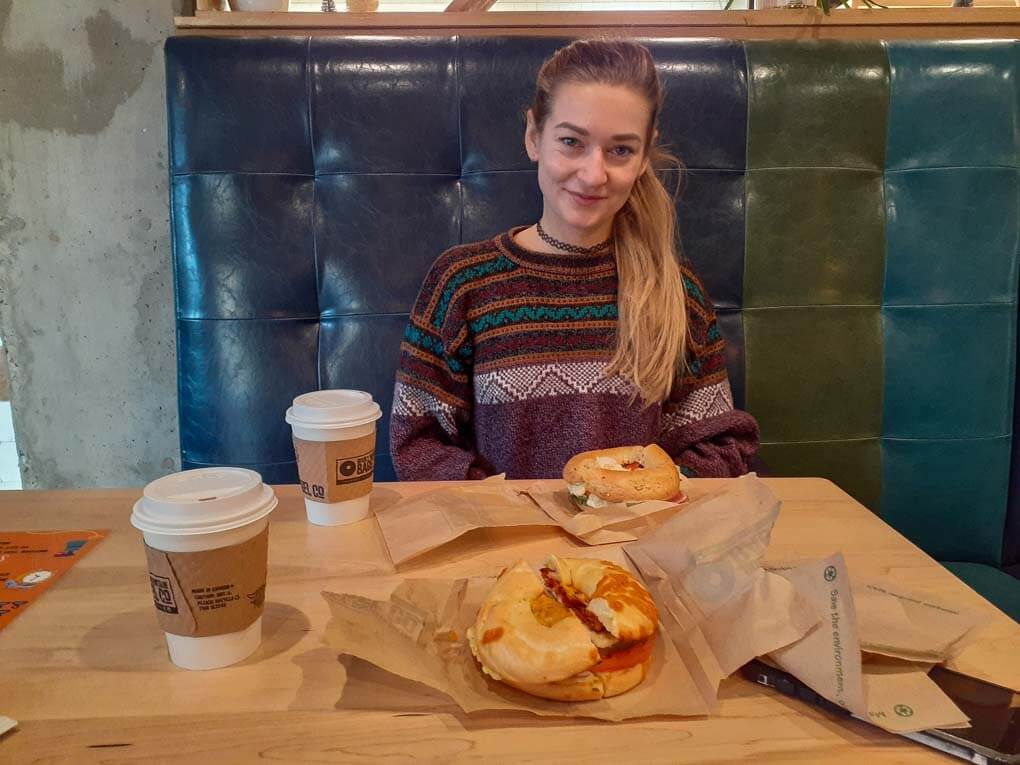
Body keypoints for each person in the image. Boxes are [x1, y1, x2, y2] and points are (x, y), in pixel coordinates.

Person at [390, 38, 759, 481]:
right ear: (533, 137)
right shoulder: (462, 282)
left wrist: (641, 498)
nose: (592, 174)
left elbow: (717, 443)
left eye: (621, 150)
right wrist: (516, 515)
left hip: (640, 544)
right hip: (507, 544)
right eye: (571, 142)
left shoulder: (675, 289)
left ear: (644, 157)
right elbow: (418, 443)